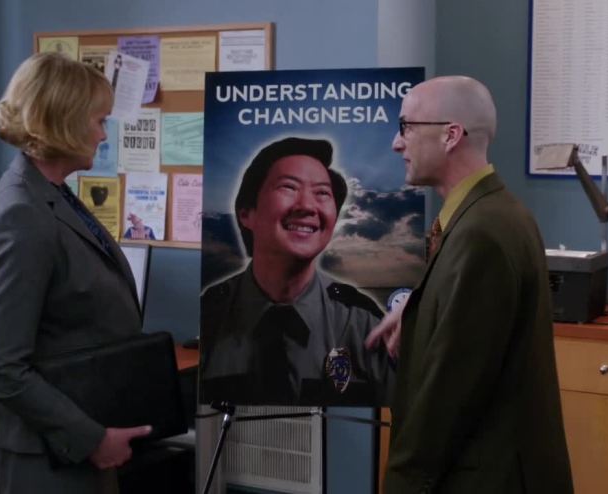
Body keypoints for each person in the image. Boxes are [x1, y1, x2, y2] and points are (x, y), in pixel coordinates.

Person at [366, 76, 572, 492]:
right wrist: (421, 309)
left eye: (407, 126)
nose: (396, 143)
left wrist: (402, 484)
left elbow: (447, 396)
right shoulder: (494, 215)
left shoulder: (481, 234)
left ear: (451, 135)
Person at [0, 52, 150, 494]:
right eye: (99, 121)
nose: (103, 134)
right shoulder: (23, 213)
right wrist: (91, 439)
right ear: (65, 121)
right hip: (48, 453)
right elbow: (1, 367)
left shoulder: (53, 196)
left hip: (80, 436)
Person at [200, 137, 394, 406]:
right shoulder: (209, 315)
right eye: (288, 187)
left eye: (322, 193)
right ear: (246, 214)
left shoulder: (361, 323)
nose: (308, 206)